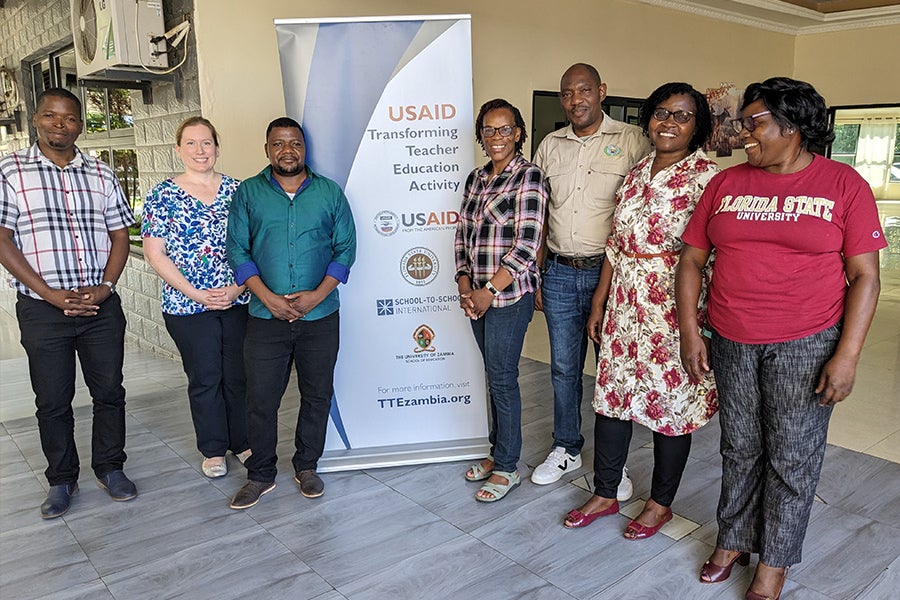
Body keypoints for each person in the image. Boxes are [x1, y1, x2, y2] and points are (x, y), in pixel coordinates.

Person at [676, 77, 885, 600]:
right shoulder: (726, 185)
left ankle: (775, 560)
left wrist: (848, 355)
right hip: (730, 336)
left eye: (755, 123)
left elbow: (865, 276)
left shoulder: (843, 184)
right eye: (743, 123)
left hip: (807, 341)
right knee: (739, 446)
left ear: (792, 125)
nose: (744, 133)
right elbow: (692, 260)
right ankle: (734, 539)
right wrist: (689, 330)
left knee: (792, 454)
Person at [564, 83, 719, 535]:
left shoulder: (708, 178)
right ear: (648, 119)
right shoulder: (635, 173)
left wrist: (697, 326)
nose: (669, 122)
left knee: (670, 405)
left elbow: (714, 253)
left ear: (697, 125)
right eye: (661, 113)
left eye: (682, 115)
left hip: (673, 310)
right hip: (624, 307)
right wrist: (600, 300)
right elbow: (616, 242)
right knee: (611, 401)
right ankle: (606, 492)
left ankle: (660, 502)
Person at [0, 87, 137, 518]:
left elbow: (119, 236)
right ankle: (61, 479)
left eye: (70, 117)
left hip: (100, 305)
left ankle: (111, 467)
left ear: (80, 122)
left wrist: (107, 286)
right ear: (36, 120)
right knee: (53, 399)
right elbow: (2, 240)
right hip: (43, 309)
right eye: (51, 116)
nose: (61, 124)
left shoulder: (100, 173)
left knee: (110, 392)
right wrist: (49, 294)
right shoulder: (10, 171)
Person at [226, 117, 356, 510]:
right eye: (279, 143)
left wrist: (316, 297)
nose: (288, 150)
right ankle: (261, 473)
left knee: (317, 395)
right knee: (261, 399)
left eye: (295, 143)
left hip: (320, 317)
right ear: (267, 149)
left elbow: (345, 250)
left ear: (305, 148)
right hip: (265, 319)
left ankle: (307, 465)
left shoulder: (329, 194)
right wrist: (269, 298)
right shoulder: (248, 193)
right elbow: (238, 251)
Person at [531, 63, 650, 491]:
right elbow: (539, 214)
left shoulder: (632, 141)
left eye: (583, 90)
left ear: (601, 91)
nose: (575, 100)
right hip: (560, 272)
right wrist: (539, 271)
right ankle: (566, 447)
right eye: (567, 93)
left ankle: (612, 465)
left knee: (611, 370)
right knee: (563, 369)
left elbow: (644, 208)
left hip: (612, 275)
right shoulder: (550, 146)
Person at [142, 116, 251, 479]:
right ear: (179, 150)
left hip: (236, 300)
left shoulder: (240, 191)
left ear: (217, 148)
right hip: (187, 305)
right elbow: (156, 254)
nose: (199, 150)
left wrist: (238, 287)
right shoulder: (162, 195)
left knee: (237, 375)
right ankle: (214, 448)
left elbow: (255, 245)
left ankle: (242, 440)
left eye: (206, 143)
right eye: (190, 143)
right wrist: (198, 294)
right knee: (205, 376)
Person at [457, 99, 547, 502]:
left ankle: (508, 466)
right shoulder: (475, 179)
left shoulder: (529, 177)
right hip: (474, 295)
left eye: (504, 129)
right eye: (489, 130)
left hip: (508, 298)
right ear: (481, 136)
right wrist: (464, 283)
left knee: (503, 378)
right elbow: (463, 234)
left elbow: (528, 244)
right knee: (493, 376)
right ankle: (498, 453)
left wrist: (488, 291)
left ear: (519, 133)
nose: (496, 137)